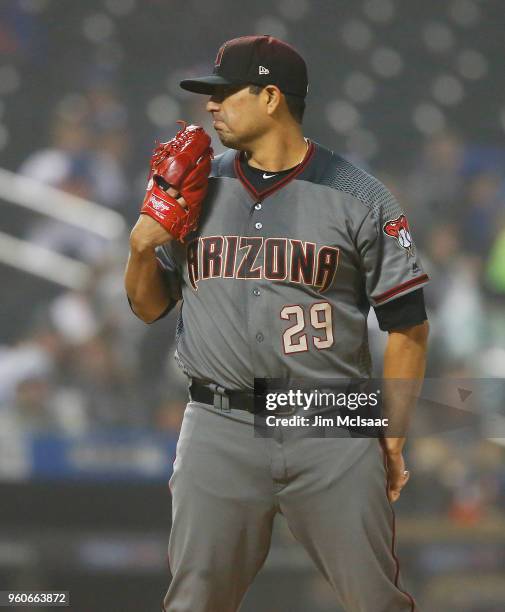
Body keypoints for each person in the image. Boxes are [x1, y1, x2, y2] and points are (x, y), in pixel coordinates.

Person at [125, 35, 429, 612]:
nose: (210, 106)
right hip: (220, 417)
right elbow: (147, 307)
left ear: (271, 97)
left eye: (224, 93)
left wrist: (392, 434)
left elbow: (408, 325)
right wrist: (142, 247)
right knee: (194, 602)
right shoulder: (196, 184)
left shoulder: (359, 196)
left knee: (375, 601)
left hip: (332, 416)